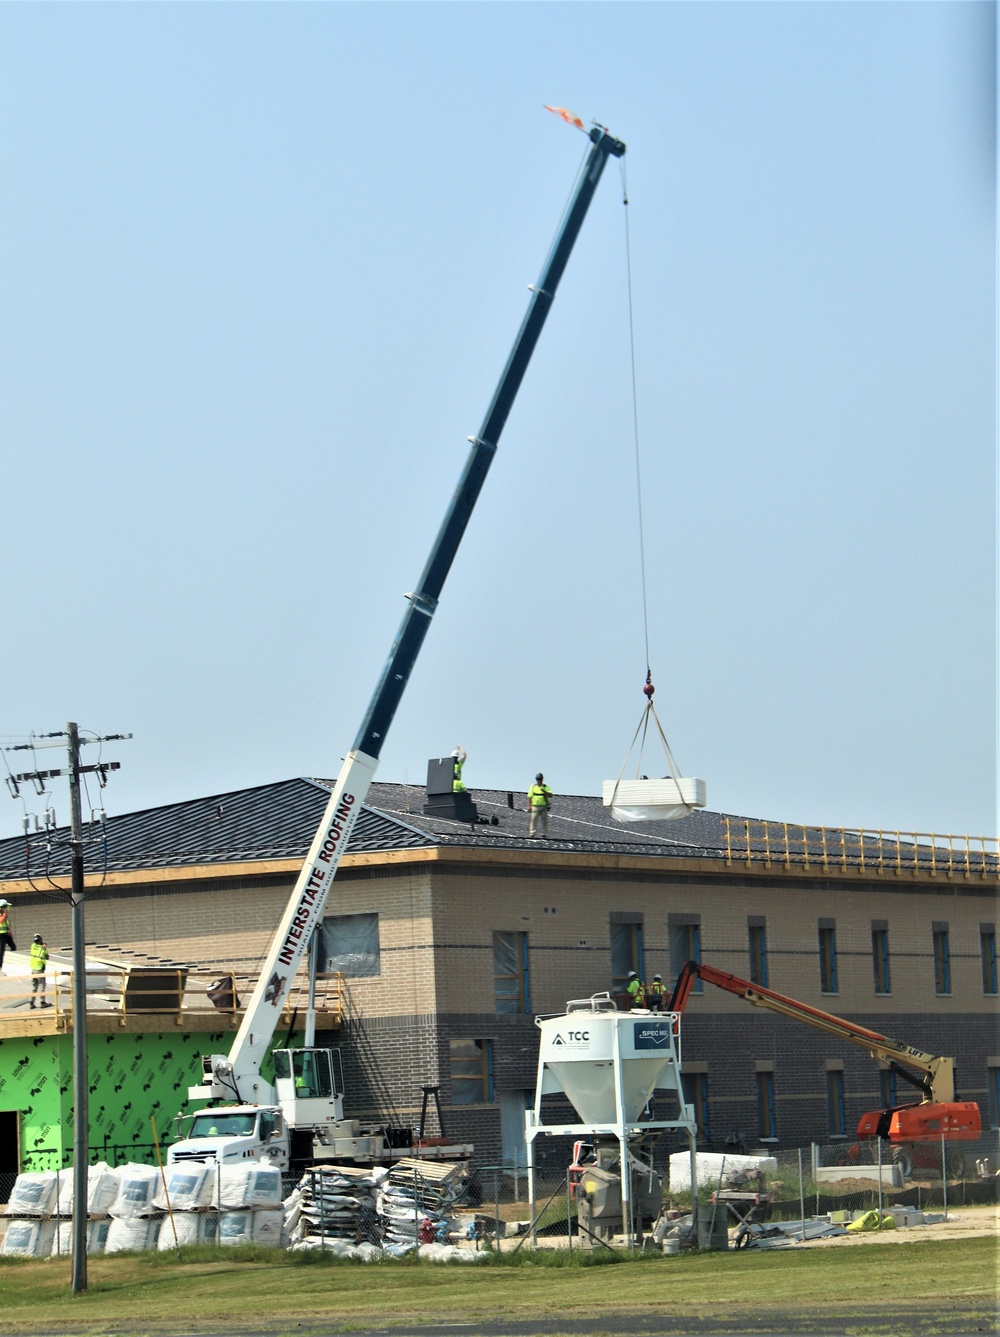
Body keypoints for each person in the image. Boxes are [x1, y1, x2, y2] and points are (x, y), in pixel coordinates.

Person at [527, 773, 553, 838]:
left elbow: (550, 795)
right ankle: (532, 833)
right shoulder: (533, 787)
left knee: (544, 821)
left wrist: (545, 792)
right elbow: (529, 797)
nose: (539, 781)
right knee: (534, 820)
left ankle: (544, 834)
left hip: (543, 806)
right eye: (538, 779)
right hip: (535, 806)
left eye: (540, 779)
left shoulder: (546, 787)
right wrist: (529, 806)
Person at [29, 934, 50, 1009]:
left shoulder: (32, 946)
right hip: (40, 969)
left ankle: (31, 1002)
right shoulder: (43, 948)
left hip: (33, 969)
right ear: (40, 940)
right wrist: (45, 948)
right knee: (42, 986)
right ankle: (42, 1002)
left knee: (34, 987)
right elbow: (47, 957)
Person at [0, 900, 15, 971]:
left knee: (13, 947)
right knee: (1, 951)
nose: (7, 908)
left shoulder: (6, 915)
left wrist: (11, 935)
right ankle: (0, 966)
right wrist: (4, 914)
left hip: (6, 934)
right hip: (1, 935)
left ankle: (11, 961)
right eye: (5, 907)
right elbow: (1, 921)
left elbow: (8, 926)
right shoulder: (2, 915)